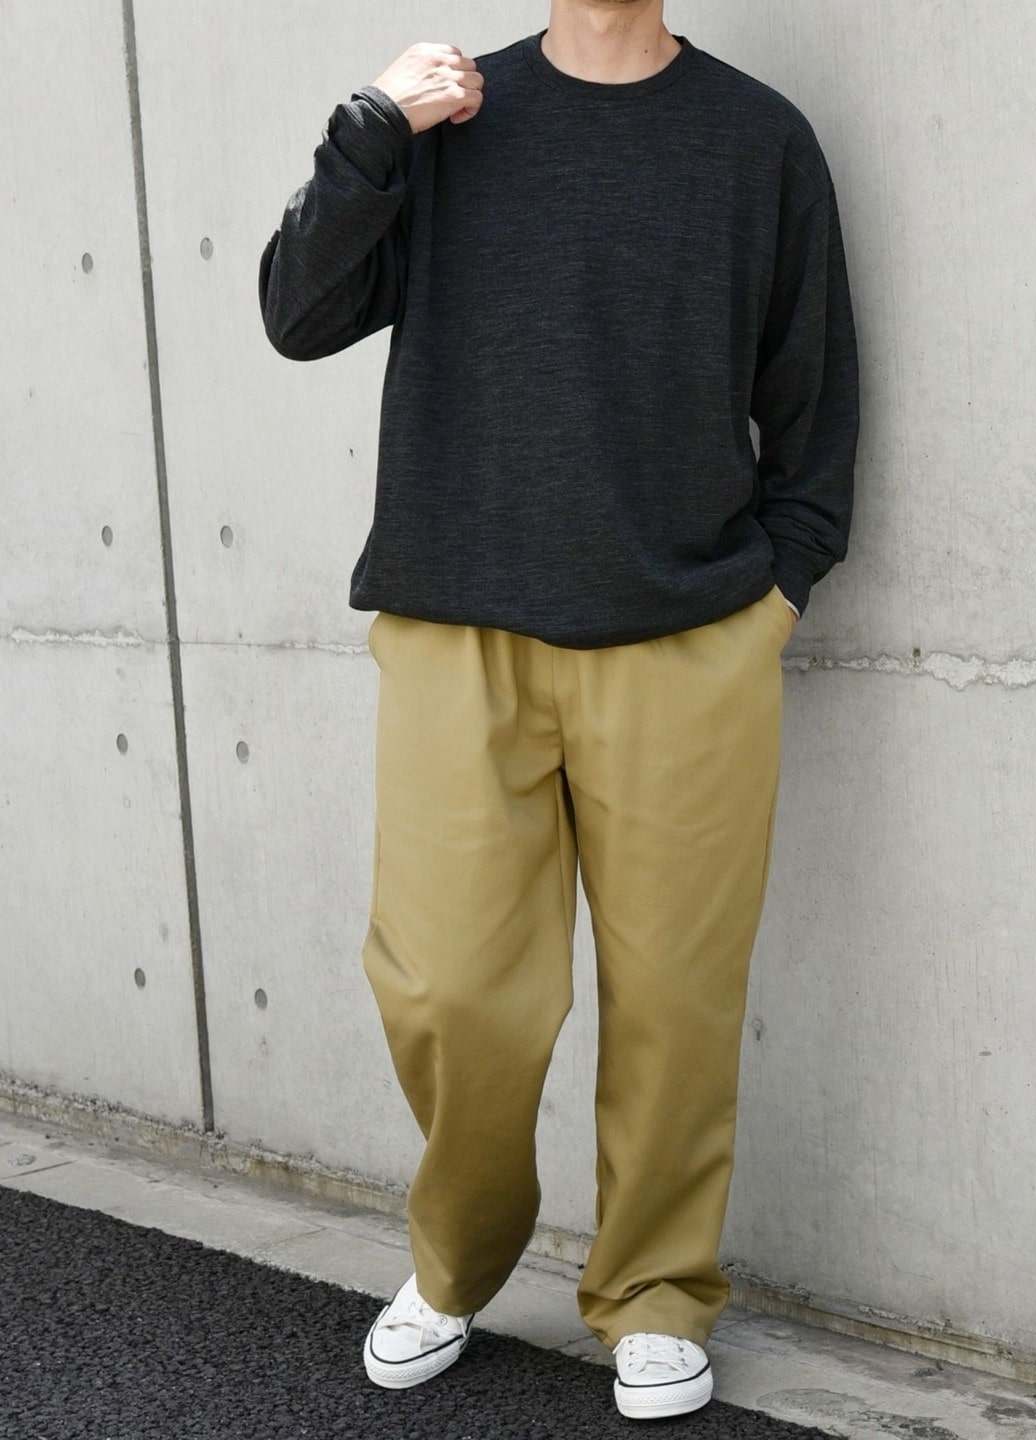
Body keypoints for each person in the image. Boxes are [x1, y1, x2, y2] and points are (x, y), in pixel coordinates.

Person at [258, 0, 858, 1420]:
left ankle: (656, 1290)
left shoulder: (758, 139)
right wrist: (370, 132)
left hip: (687, 640)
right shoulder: (449, 119)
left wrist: (780, 591)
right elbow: (297, 314)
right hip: (457, 623)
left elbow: (814, 394)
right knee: (448, 989)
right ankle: (460, 1258)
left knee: (676, 1003)